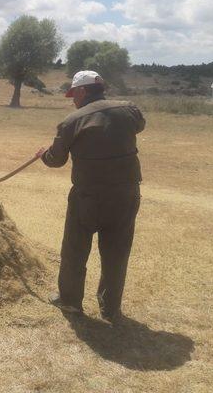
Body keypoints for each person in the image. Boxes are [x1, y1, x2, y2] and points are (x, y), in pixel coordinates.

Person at [39, 70, 145, 322]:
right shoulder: (129, 110)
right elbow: (139, 126)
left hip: (89, 196)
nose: (72, 99)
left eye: (73, 94)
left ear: (83, 91)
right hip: (126, 193)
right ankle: (110, 308)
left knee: (75, 249)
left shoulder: (72, 121)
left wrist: (43, 154)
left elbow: (56, 159)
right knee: (117, 251)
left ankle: (70, 301)